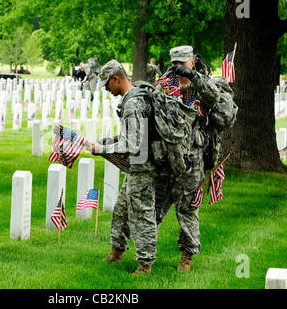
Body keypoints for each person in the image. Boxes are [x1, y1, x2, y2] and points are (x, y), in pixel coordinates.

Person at [88, 60, 158, 275]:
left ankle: (145, 264)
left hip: (143, 166)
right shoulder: (133, 98)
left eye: (108, 84)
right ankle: (116, 253)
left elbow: (133, 144)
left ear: (116, 79)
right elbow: (135, 134)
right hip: (137, 165)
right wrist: (111, 140)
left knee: (141, 215)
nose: (108, 90)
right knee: (121, 211)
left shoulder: (133, 103)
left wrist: (101, 149)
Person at [154, 45, 221, 272]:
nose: (178, 69)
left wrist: (194, 77)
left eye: (182, 64)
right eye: (175, 64)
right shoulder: (166, 83)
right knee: (155, 205)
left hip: (193, 157)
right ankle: (146, 254)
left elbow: (213, 97)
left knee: (187, 208)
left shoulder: (201, 84)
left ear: (192, 62)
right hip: (166, 155)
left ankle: (187, 256)